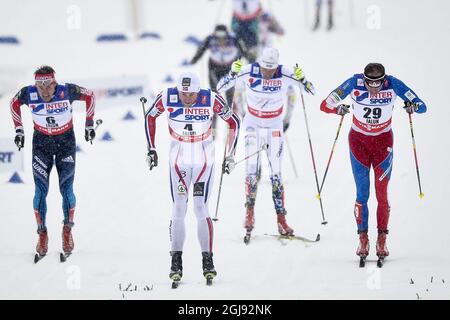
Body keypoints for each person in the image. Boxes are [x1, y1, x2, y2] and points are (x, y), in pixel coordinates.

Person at [320, 63, 427, 264]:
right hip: (358, 143)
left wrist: (413, 106)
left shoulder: (393, 84)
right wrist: (338, 109)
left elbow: (422, 106)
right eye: (370, 84)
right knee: (362, 193)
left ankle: (381, 240)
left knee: (381, 193)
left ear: (384, 79)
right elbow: (325, 104)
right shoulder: (354, 82)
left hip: (383, 144)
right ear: (364, 78)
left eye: (378, 84)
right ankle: (363, 239)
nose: (374, 88)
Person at [144, 72, 240, 285]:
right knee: (178, 207)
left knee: (199, 206)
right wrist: (151, 149)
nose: (186, 99)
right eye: (183, 94)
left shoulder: (211, 98)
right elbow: (150, 116)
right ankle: (176, 260)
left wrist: (230, 154)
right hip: (178, 155)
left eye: (191, 95)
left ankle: (208, 260)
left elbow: (233, 121)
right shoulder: (167, 96)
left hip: (203, 155)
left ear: (199, 91)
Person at [217, 47, 315, 240]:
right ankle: (249, 214)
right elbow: (220, 87)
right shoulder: (248, 70)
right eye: (264, 68)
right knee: (251, 171)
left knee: (276, 173)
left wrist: (302, 79)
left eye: (271, 69)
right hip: (253, 124)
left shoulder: (285, 72)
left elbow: (311, 90)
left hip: (274, 125)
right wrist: (232, 74)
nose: (267, 73)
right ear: (259, 63)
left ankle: (281, 219)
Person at [9, 65, 96, 261]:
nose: (44, 91)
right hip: (41, 144)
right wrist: (19, 131)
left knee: (66, 189)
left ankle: (67, 232)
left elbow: (90, 95)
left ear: (54, 82)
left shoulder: (67, 90)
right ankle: (42, 234)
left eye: (48, 85)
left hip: (65, 142)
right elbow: (13, 103)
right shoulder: (28, 93)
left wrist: (89, 124)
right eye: (40, 86)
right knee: (40, 191)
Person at [190, 24, 247, 129]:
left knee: (230, 94)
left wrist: (243, 59)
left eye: (223, 36)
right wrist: (195, 59)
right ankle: (213, 124)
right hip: (214, 68)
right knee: (214, 94)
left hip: (229, 68)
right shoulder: (210, 39)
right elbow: (201, 49)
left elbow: (243, 51)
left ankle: (231, 121)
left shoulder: (234, 38)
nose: (221, 39)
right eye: (218, 36)